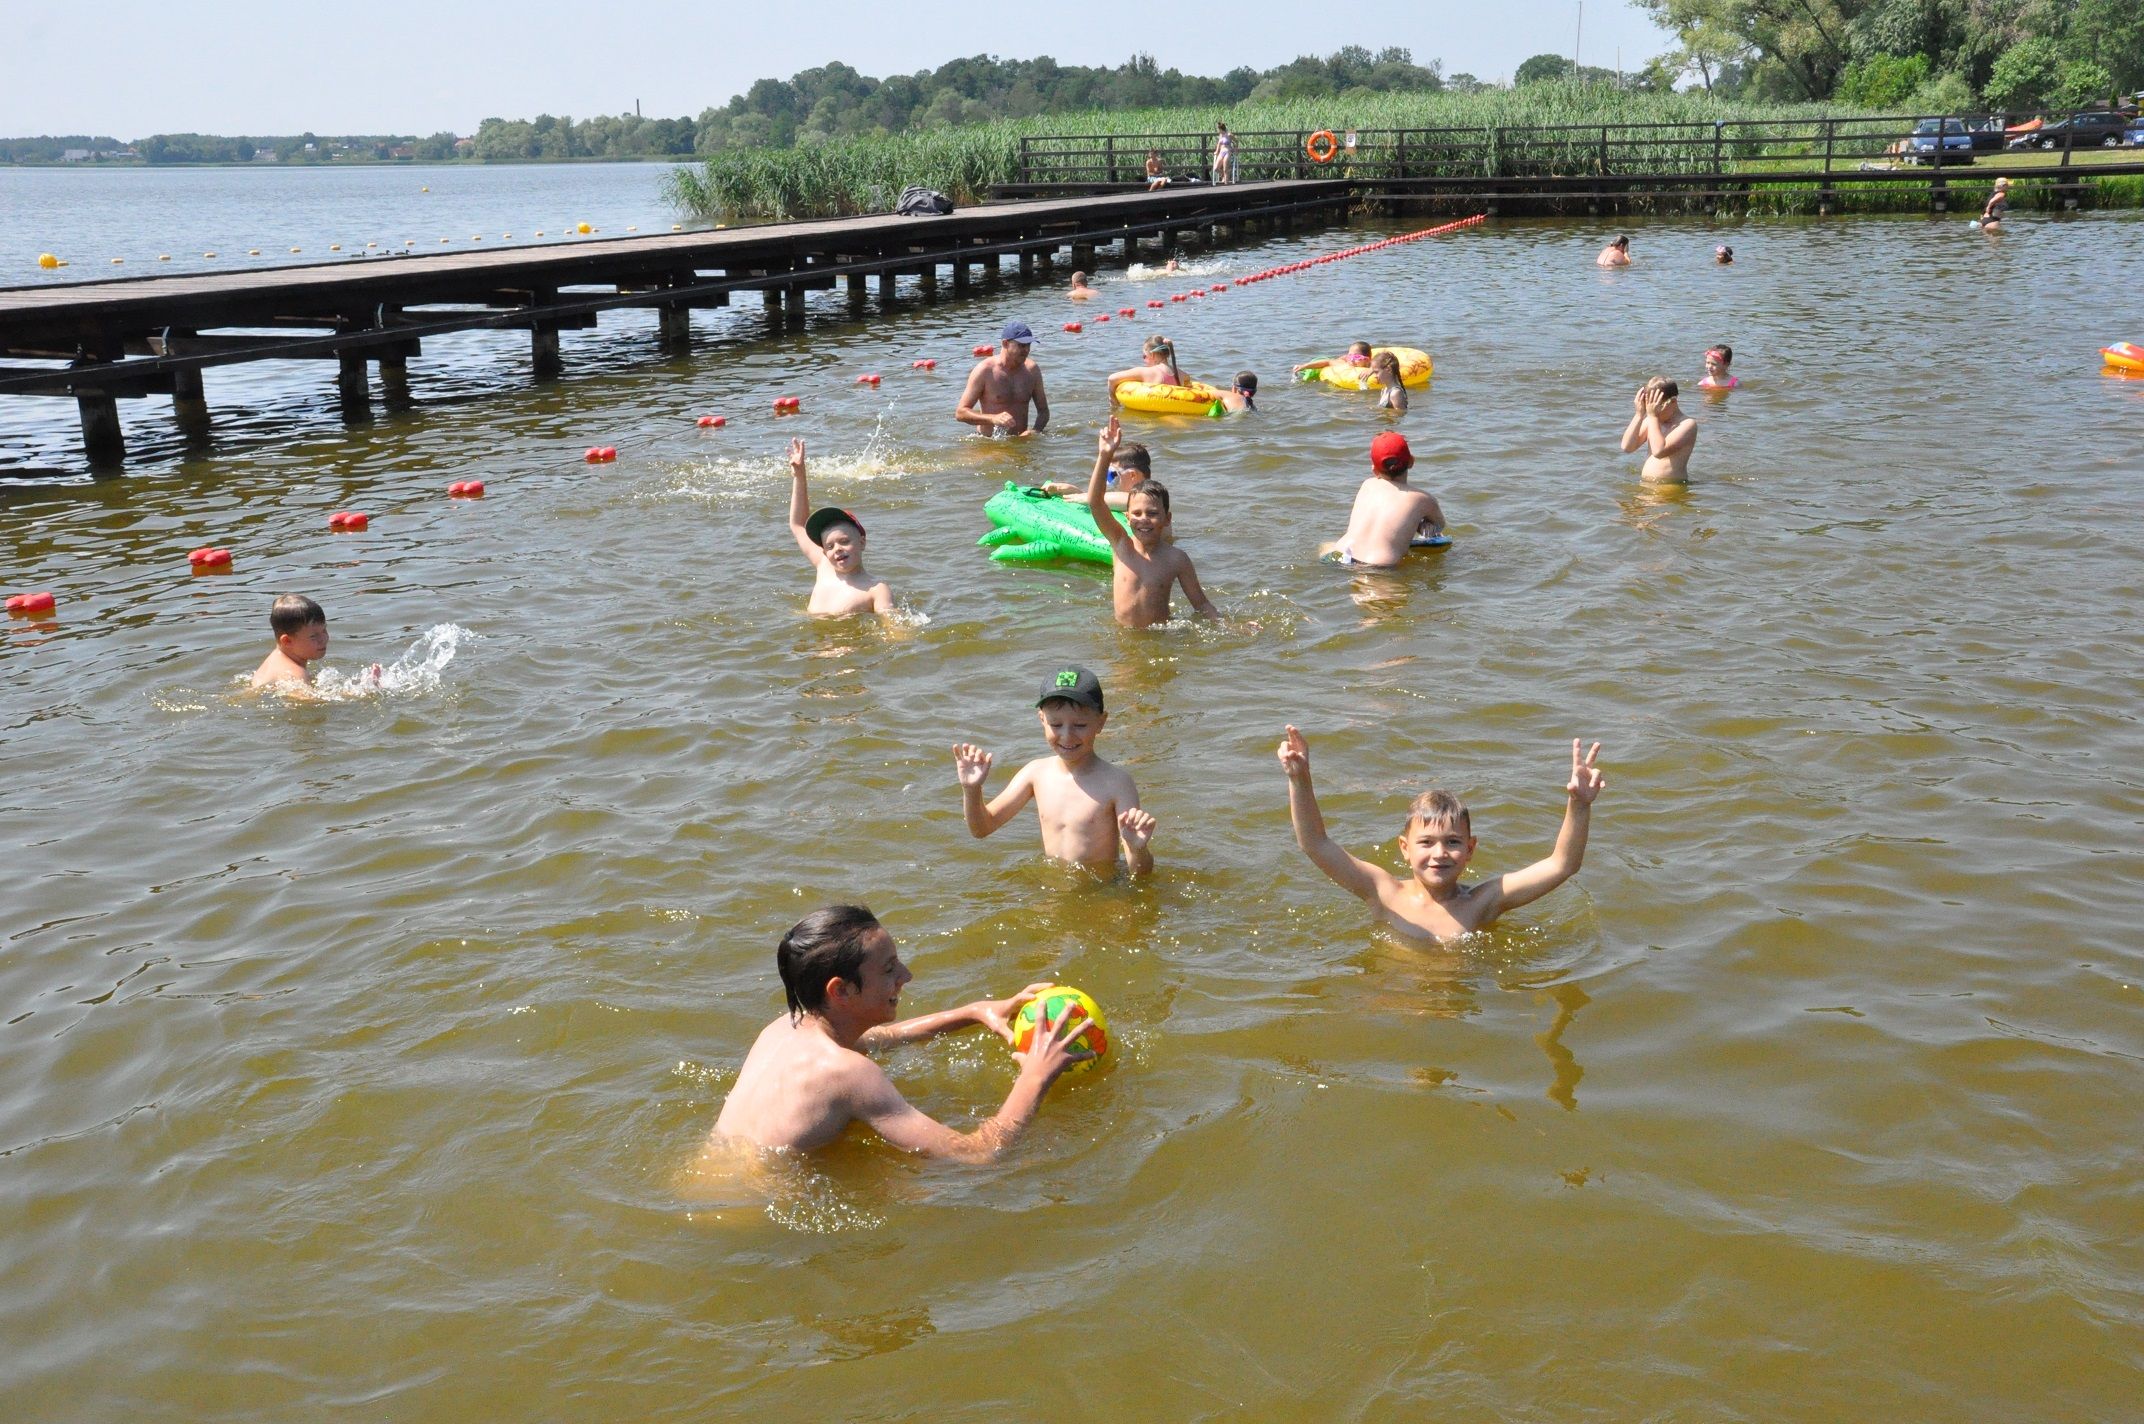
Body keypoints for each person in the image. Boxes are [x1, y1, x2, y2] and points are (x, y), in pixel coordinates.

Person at [702, 905, 1091, 1159]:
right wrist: (1035, 1077)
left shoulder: (785, 1028)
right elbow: (977, 1155)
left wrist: (974, 1012)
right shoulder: (848, 1074)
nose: (906, 976)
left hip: (711, 1185)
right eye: (889, 969)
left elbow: (885, 1038)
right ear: (841, 991)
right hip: (753, 1214)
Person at [1277, 727, 1607, 940]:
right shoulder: (1384, 893)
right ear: (1404, 848)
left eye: (1452, 842)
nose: (1439, 853)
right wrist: (1299, 779)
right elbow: (1315, 844)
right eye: (1426, 842)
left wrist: (1578, 804)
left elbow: (1563, 864)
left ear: (1470, 848)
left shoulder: (1483, 902)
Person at [952, 664, 1156, 875]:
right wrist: (972, 789)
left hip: (1104, 888)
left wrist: (1137, 848)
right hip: (1054, 886)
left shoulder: (1117, 783)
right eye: (1056, 725)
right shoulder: (1035, 774)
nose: (1067, 736)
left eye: (1080, 725)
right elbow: (982, 829)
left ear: (1100, 722)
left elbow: (1140, 874)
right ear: (1042, 719)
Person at [1087, 416, 1218, 627]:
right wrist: (1105, 455)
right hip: (1124, 635)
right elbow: (1095, 502)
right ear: (1127, 517)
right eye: (1137, 513)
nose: (1144, 520)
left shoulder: (1176, 559)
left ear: (1167, 519)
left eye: (1152, 513)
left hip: (1159, 637)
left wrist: (1228, 625)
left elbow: (1201, 604)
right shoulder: (1121, 545)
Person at [786, 438, 892, 615]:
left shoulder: (876, 589)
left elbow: (893, 624)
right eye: (829, 546)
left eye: (844, 541)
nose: (837, 549)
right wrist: (799, 475)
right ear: (824, 551)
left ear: (862, 542)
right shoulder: (824, 566)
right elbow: (798, 525)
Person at [1320, 431, 1443, 568]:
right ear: (1411, 461)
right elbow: (1439, 526)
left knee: (1327, 545)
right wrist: (1419, 524)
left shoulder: (1367, 484)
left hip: (1340, 554)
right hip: (1378, 566)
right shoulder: (1423, 499)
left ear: (1374, 470)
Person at [955, 321, 1049, 437]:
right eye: (1021, 345)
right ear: (1005, 343)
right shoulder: (984, 370)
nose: (1026, 350)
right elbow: (961, 413)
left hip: (1021, 441)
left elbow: (1043, 411)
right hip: (989, 441)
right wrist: (993, 418)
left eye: (1028, 345)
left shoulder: (1032, 370)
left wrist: (1035, 431)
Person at [251, 594, 340, 689]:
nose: (324, 639)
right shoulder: (296, 674)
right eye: (313, 636)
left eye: (324, 630)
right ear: (287, 641)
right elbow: (302, 698)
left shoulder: (276, 659)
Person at [1619, 376, 1697, 483]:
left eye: (1657, 407)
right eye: (1648, 407)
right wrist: (1639, 415)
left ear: (1673, 401)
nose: (1652, 411)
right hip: (1647, 485)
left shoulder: (1687, 424)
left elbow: (1658, 451)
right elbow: (1627, 447)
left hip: (1671, 487)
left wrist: (1653, 416)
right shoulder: (1652, 420)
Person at [1040, 437, 1152, 508]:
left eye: (1112, 474)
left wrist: (1089, 497)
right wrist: (1071, 491)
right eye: (1107, 475)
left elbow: (1133, 500)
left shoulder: (1150, 498)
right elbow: (1102, 500)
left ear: (1132, 475)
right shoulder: (1119, 499)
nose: (1108, 480)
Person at [1107, 337, 1189, 399]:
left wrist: (1114, 403)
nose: (1144, 360)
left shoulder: (1145, 372)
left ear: (1152, 355)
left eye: (1144, 356)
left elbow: (1111, 379)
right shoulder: (1183, 374)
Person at [1293, 341, 1372, 379]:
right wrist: (1304, 366)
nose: (1352, 360)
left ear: (1367, 360)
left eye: (1356, 357)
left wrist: (1371, 370)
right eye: (1350, 356)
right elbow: (1328, 362)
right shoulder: (1345, 365)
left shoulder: (1373, 366)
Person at [1368, 350, 1409, 416]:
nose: (1375, 376)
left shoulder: (1395, 393)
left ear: (1388, 369)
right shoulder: (1384, 390)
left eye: (1376, 372)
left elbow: (1400, 414)